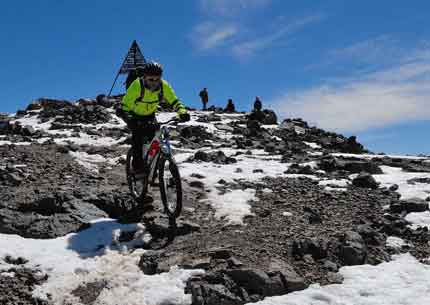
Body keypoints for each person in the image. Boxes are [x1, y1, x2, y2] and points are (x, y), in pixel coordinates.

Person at [117, 61, 190, 175]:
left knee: (155, 139)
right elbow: (125, 105)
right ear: (144, 77)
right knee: (137, 140)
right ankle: (137, 169)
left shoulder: (163, 85)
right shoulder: (137, 85)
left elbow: (174, 101)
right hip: (134, 115)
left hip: (150, 115)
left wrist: (182, 112)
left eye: (157, 79)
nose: (154, 82)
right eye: (151, 79)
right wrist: (127, 117)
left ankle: (152, 167)